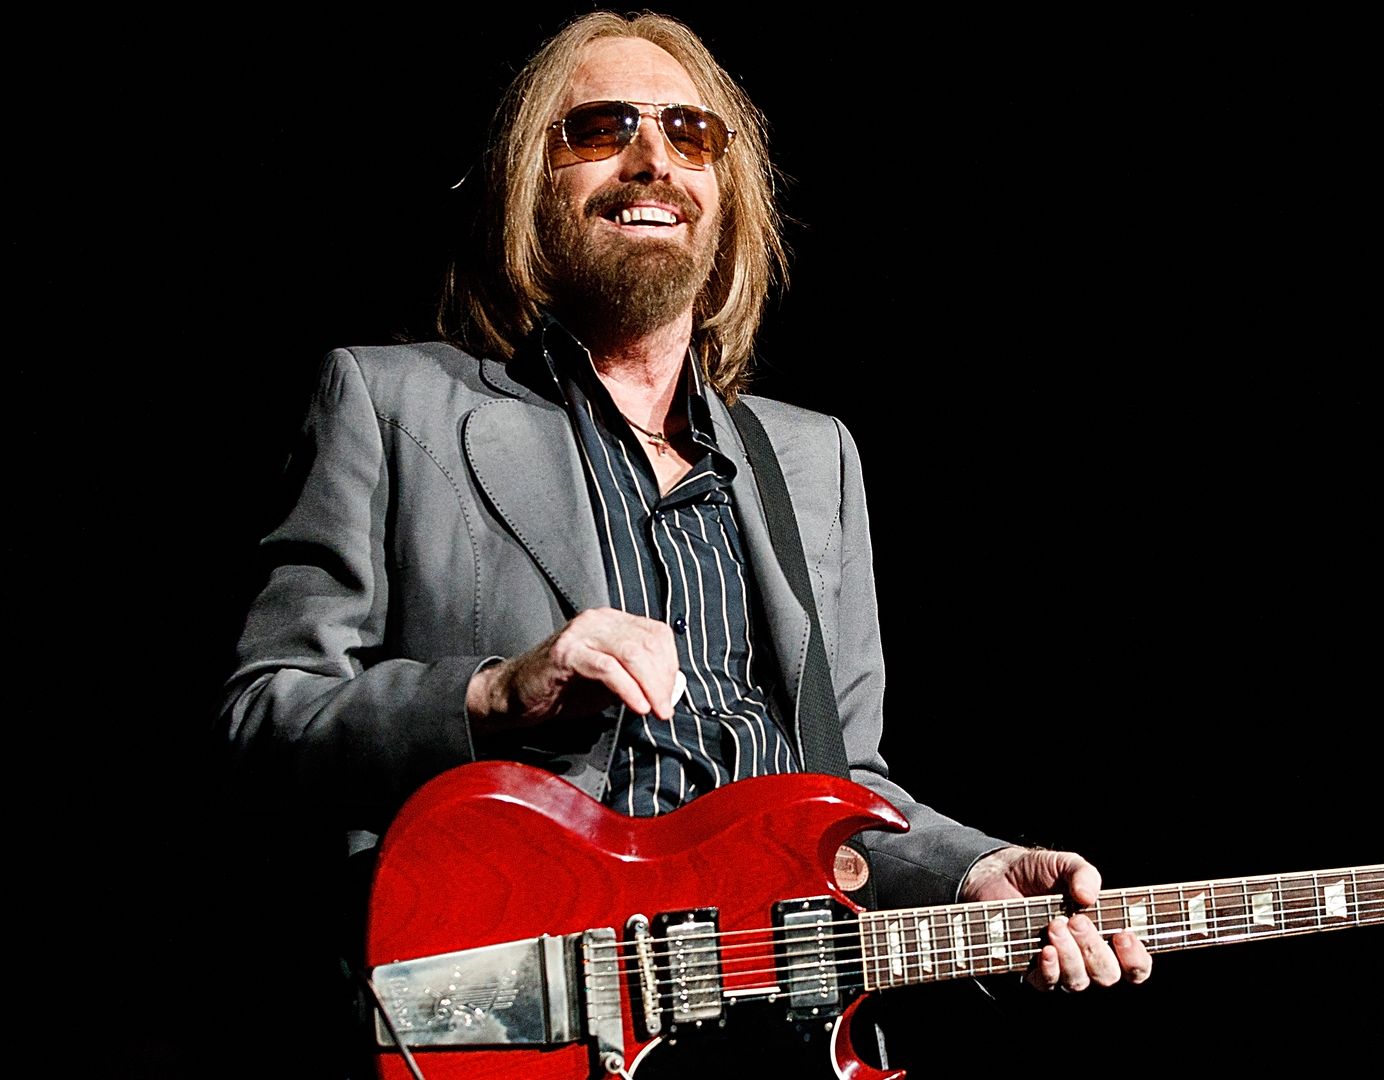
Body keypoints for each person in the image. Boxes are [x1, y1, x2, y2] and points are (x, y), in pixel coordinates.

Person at [221, 9, 1149, 1075]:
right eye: (601, 129)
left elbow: (847, 782)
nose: (652, 159)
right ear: (532, 183)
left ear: (727, 194)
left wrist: (971, 874)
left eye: (690, 134)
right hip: (533, 1025)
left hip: (784, 1038)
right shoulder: (393, 406)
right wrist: (493, 693)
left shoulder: (812, 459)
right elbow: (262, 719)